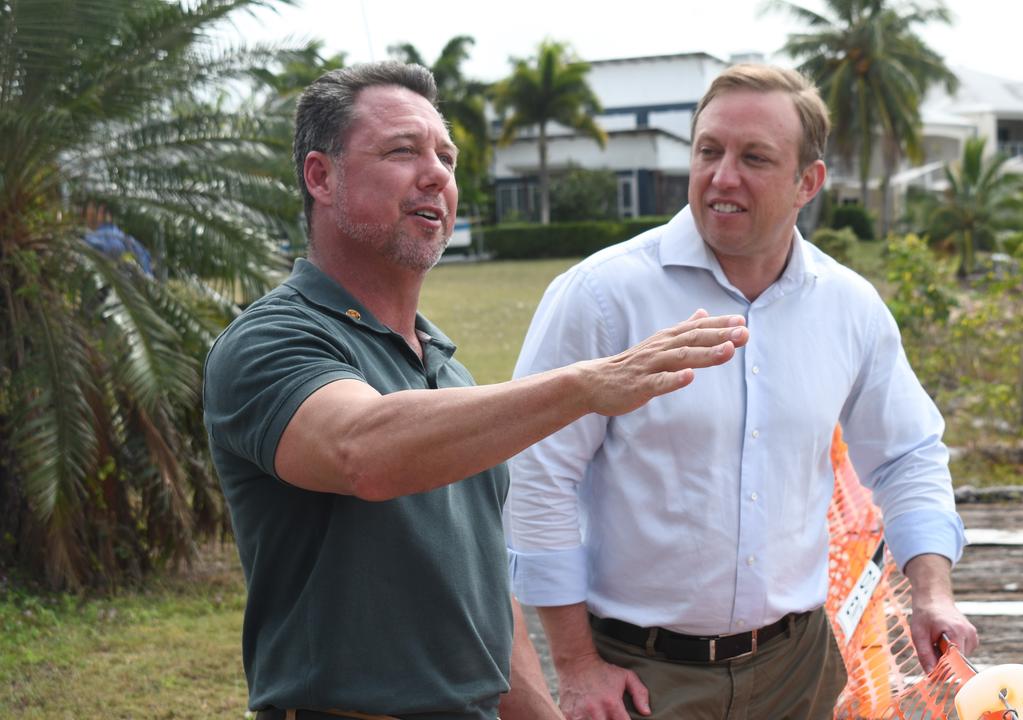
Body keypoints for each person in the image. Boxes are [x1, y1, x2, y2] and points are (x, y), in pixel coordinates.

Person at [203, 61, 749, 720]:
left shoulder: (447, 371)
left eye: (447, 157)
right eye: (402, 151)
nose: (436, 174)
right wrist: (587, 384)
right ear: (321, 176)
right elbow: (362, 451)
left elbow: (485, 597)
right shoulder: (271, 342)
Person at [505, 64, 978, 720]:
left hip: (799, 671)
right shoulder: (603, 297)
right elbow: (536, 475)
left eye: (754, 157)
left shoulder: (849, 307)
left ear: (806, 182)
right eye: (709, 151)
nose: (723, 176)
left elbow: (907, 456)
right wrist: (577, 665)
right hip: (641, 677)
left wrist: (932, 592)